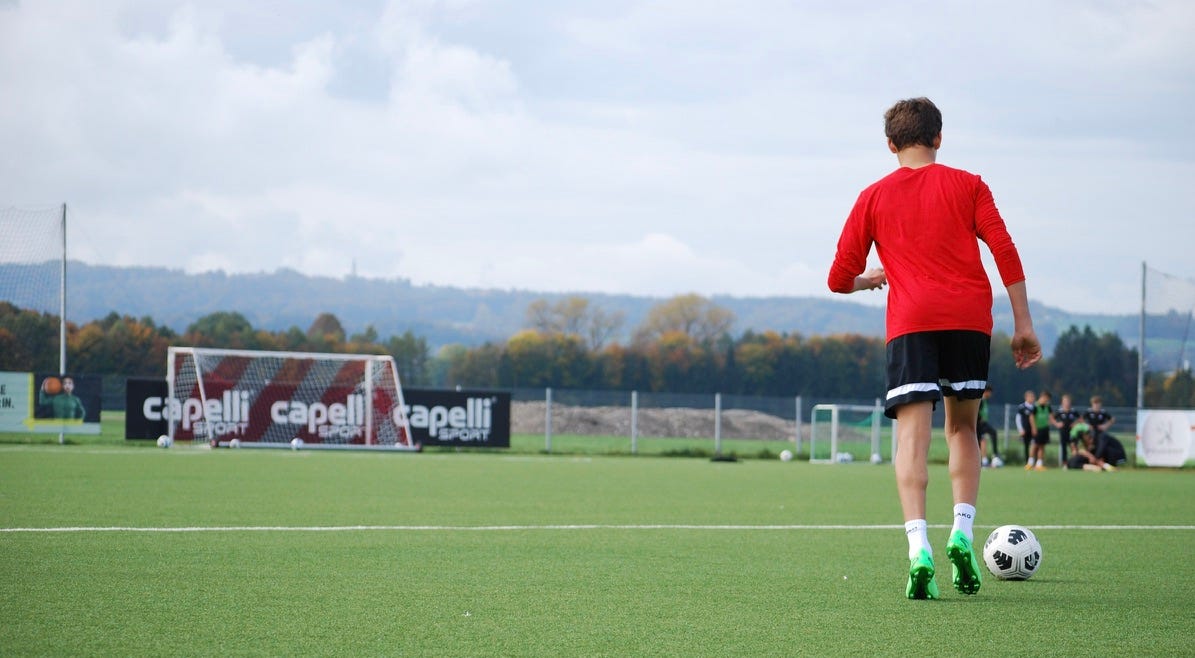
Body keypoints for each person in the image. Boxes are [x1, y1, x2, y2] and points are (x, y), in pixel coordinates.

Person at [827, 97, 1041, 600]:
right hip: (968, 320)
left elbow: (838, 278)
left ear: (890, 145)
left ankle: (918, 548)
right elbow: (1004, 249)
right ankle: (962, 531)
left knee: (912, 440)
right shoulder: (970, 185)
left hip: (911, 324)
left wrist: (869, 280)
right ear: (939, 138)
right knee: (963, 429)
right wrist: (1023, 324)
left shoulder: (873, 197)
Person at [1052, 393, 1081, 465]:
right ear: (1062, 402)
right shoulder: (1060, 411)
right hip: (1063, 432)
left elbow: (1080, 419)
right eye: (1065, 401)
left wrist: (1075, 423)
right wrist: (1057, 424)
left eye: (1068, 401)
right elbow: (1051, 418)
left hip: (1072, 432)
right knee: (1064, 447)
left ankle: (1075, 461)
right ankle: (1065, 463)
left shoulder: (1073, 411)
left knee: (1073, 446)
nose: (1067, 403)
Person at [976, 385, 1001, 467]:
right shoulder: (980, 401)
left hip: (982, 423)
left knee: (982, 440)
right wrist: (980, 419)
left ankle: (984, 460)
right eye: (990, 393)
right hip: (980, 424)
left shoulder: (985, 401)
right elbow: (976, 411)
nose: (991, 395)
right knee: (990, 434)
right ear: (986, 392)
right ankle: (994, 454)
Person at [1028, 391, 1053, 471]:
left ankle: (1039, 464)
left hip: (1045, 429)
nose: (1047, 401)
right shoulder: (1035, 406)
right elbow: (1031, 417)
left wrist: (1051, 423)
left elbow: (1051, 416)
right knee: (1034, 445)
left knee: (1042, 446)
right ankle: (1030, 463)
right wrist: (1033, 428)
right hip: (1037, 429)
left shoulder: (1047, 406)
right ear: (1043, 397)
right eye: (1046, 399)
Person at [1015, 390, 1036, 467]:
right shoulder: (1022, 407)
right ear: (1026, 397)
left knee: (1035, 445)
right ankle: (1027, 463)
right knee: (1027, 446)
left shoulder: (1035, 407)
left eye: (1033, 397)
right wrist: (1020, 429)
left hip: (1034, 430)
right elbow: (1018, 419)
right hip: (1025, 430)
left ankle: (1035, 462)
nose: (1032, 398)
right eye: (1031, 397)